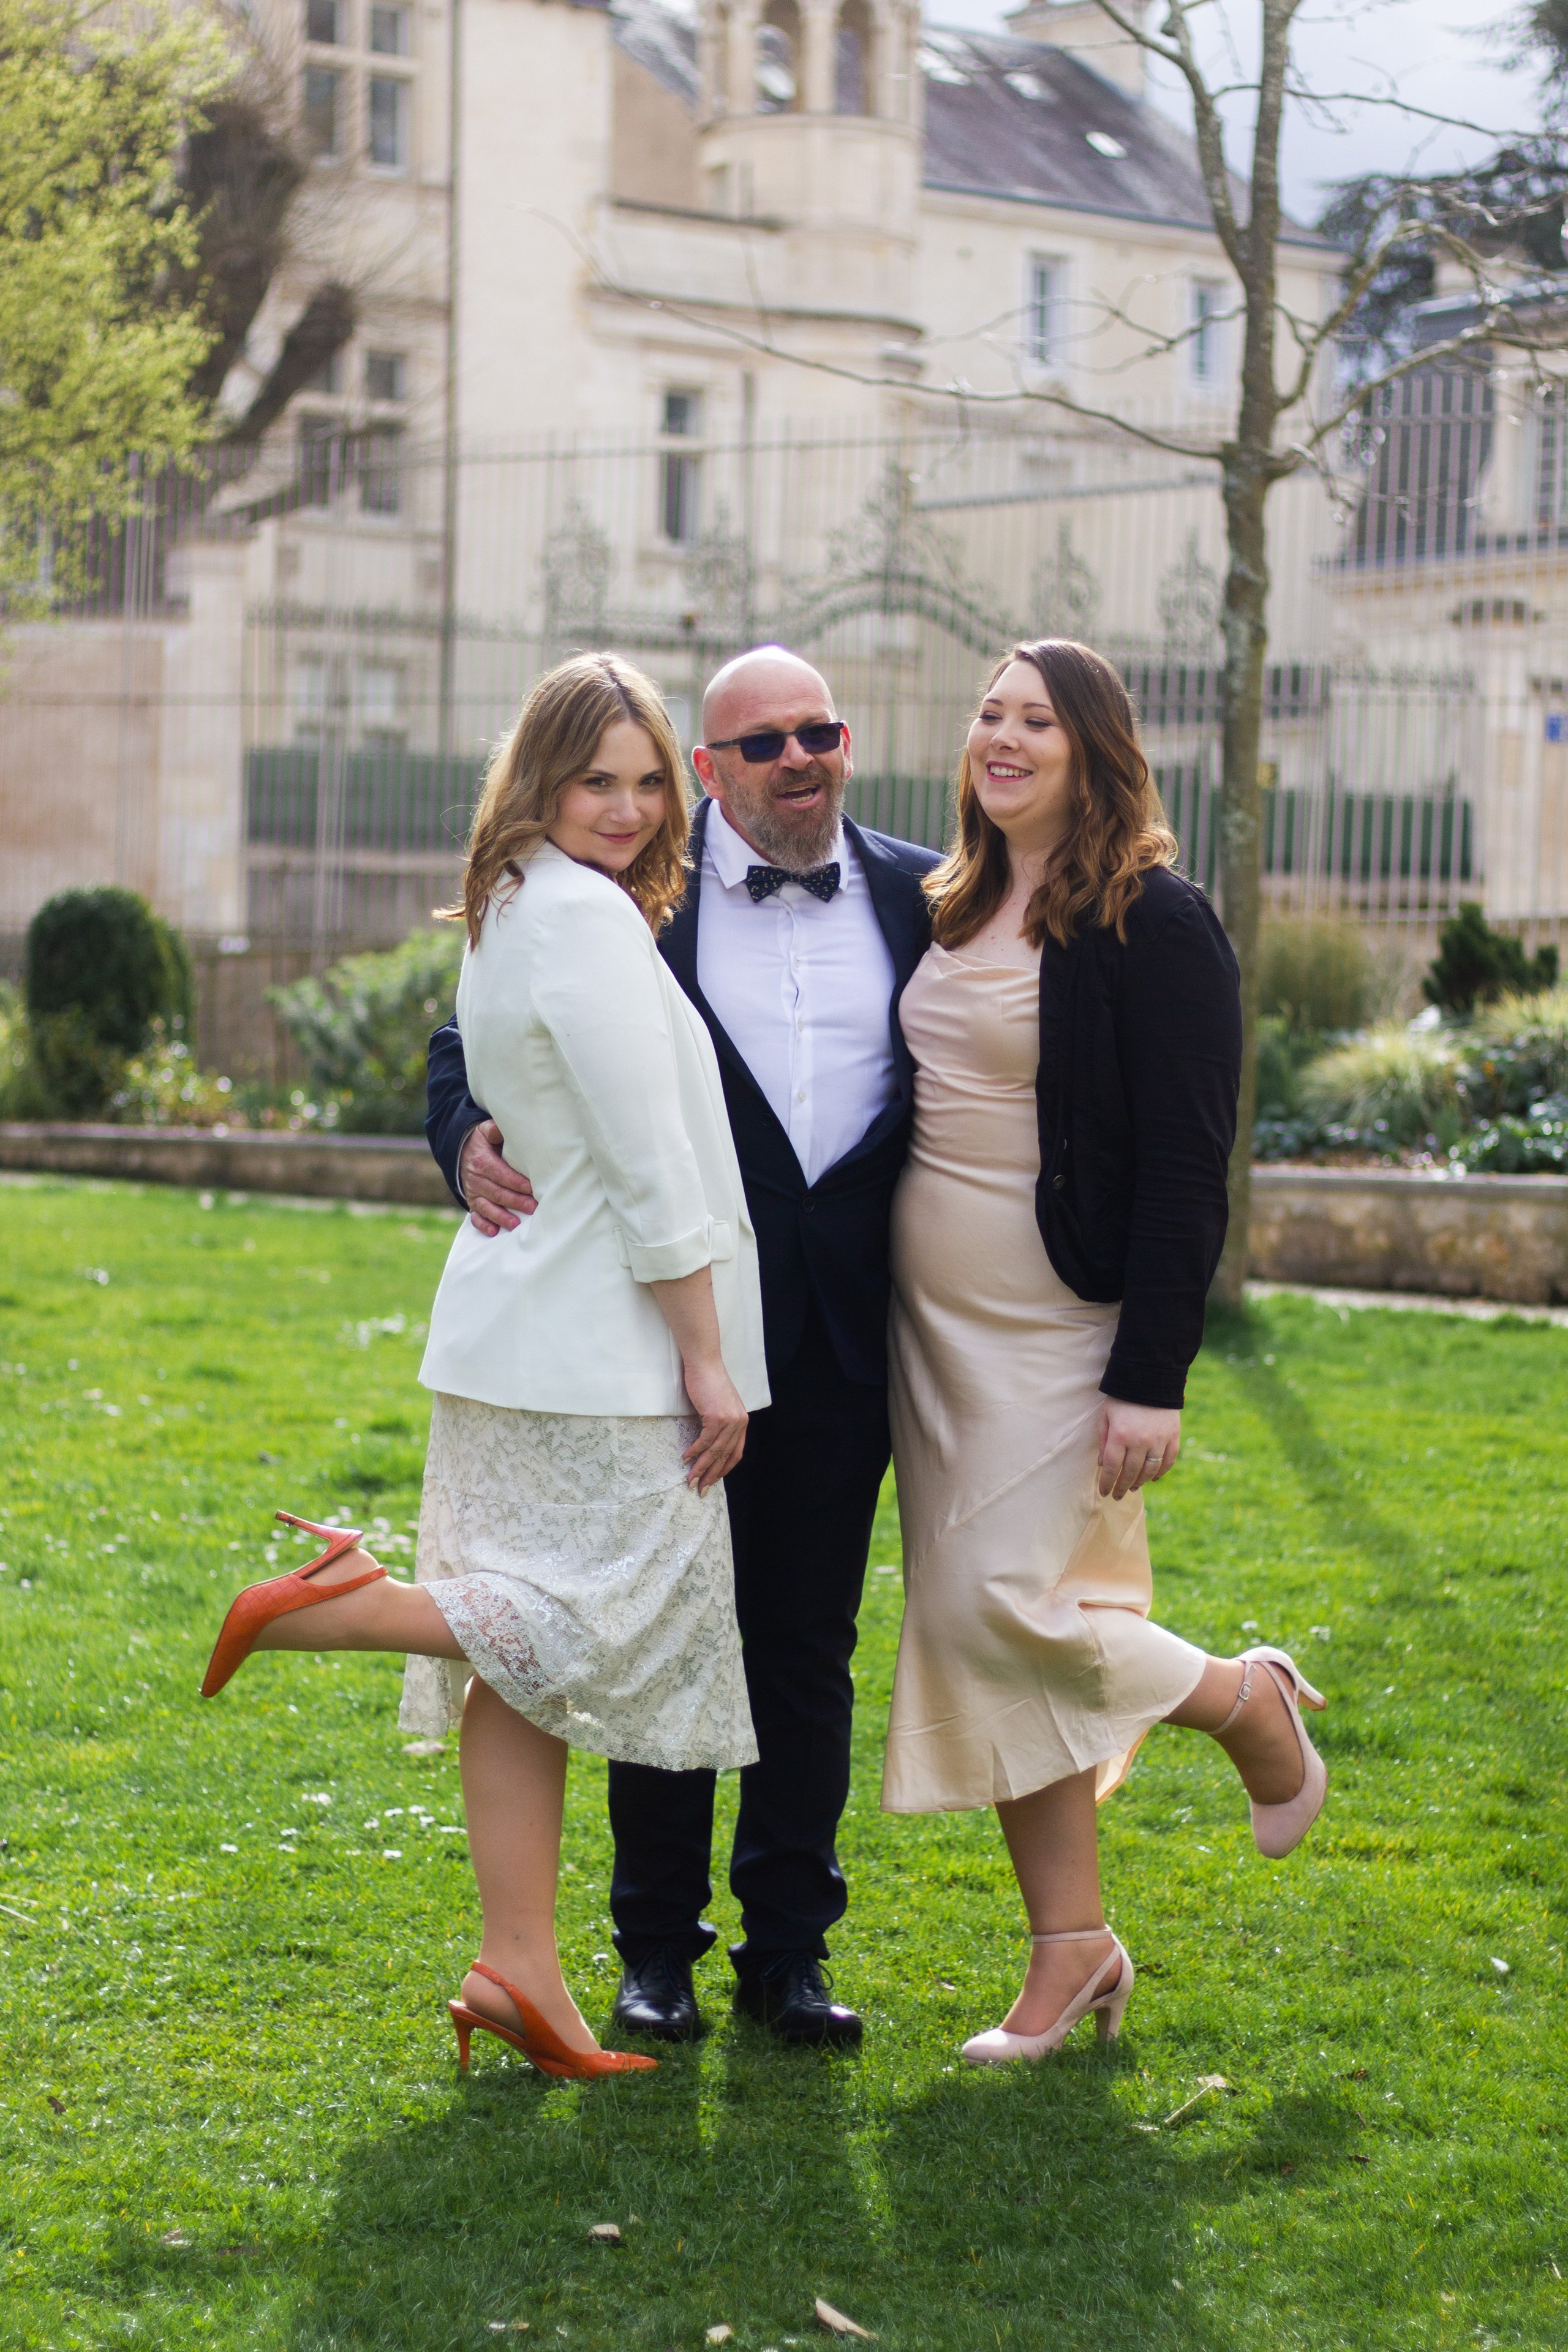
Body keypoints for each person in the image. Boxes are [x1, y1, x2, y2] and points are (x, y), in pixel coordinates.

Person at [199, 652, 769, 2082]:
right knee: (610, 1625)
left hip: (522, 1335)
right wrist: (707, 1359)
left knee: (523, 1667)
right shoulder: (577, 918)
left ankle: (516, 1965)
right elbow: (650, 1166)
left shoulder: (516, 898)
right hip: (600, 1350)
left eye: (649, 783)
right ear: (540, 778)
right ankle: (347, 1603)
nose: (629, 809)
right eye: (599, 780)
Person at [425, 646, 940, 2046]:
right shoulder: (612, 899)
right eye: (759, 743)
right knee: (657, 1635)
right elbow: (477, 1044)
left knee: (801, 1648)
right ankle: (654, 1952)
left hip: (837, 1337)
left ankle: (790, 1954)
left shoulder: (921, 893)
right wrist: (461, 1136)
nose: (796, 758)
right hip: (665, 1338)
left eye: (817, 730)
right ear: (713, 771)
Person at [881, 639, 1328, 2064]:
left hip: (1061, 1336)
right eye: (987, 715)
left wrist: (1151, 1373)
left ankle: (1241, 1702)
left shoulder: (1153, 918)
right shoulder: (948, 900)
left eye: (1033, 721)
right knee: (994, 1627)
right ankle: (1069, 1952)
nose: (1000, 739)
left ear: (1092, 747)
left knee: (991, 1613)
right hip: (933, 1338)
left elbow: (1191, 1169)